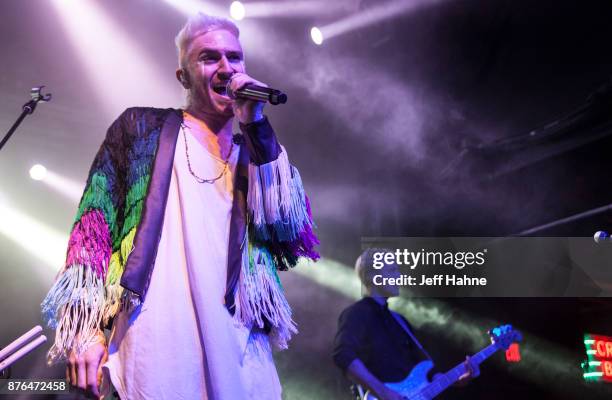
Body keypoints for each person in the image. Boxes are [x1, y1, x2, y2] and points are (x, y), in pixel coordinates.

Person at [41, 12, 318, 400]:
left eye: (234, 57)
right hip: (154, 353)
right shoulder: (139, 130)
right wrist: (83, 328)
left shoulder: (258, 156)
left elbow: (289, 236)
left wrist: (257, 126)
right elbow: (93, 224)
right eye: (209, 58)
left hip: (241, 358)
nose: (226, 67)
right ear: (183, 77)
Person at [333, 249, 476, 400]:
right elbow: (343, 356)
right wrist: (384, 393)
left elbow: (427, 371)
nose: (399, 276)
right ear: (373, 277)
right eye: (392, 270)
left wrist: (456, 380)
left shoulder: (400, 321)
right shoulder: (357, 314)